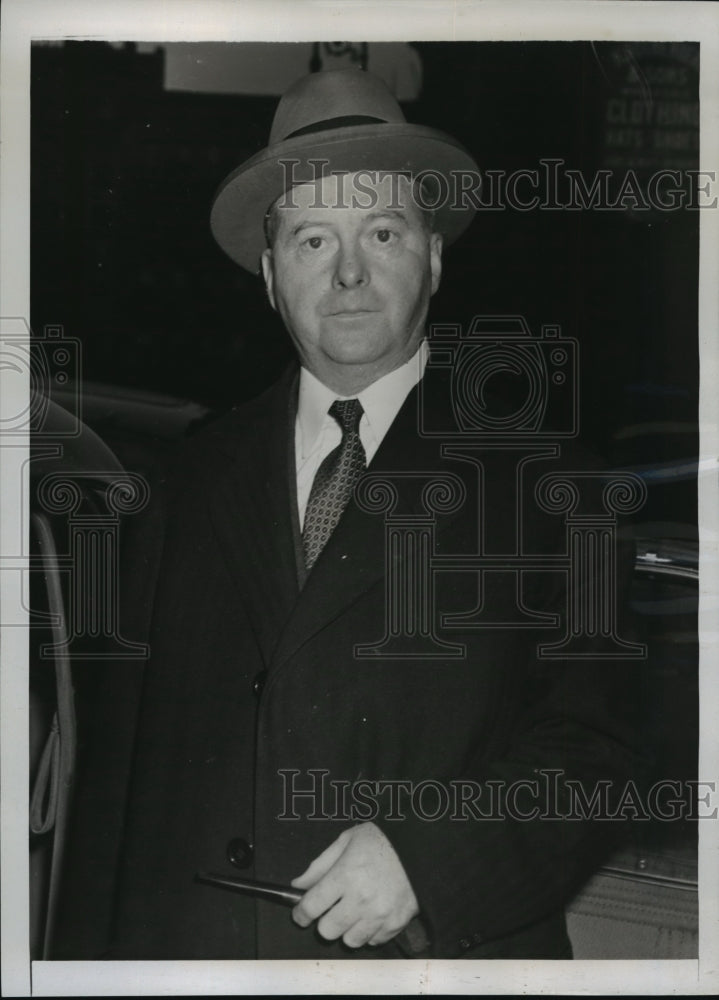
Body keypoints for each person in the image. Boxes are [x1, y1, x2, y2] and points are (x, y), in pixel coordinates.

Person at [104, 68, 641, 961]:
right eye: (313, 239)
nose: (349, 271)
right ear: (272, 276)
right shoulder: (184, 479)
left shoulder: (554, 491)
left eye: (381, 231)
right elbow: (117, 794)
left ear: (432, 255)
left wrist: (430, 862)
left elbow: (599, 758)